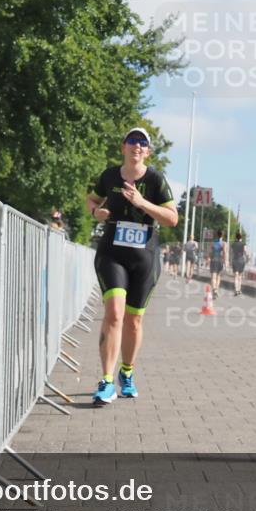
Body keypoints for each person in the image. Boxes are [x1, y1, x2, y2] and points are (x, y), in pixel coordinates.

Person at [86, 127, 178, 406]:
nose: (137, 146)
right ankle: (105, 380)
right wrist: (95, 211)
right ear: (123, 146)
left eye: (143, 143)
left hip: (144, 258)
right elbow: (91, 198)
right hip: (112, 253)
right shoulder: (109, 175)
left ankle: (127, 373)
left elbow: (172, 218)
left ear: (148, 151)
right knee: (114, 313)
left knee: (134, 320)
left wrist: (141, 202)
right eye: (132, 141)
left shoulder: (156, 180)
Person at [209, 229, 228, 298]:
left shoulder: (212, 243)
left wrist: (208, 259)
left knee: (213, 277)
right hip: (220, 261)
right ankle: (216, 290)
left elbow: (210, 252)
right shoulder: (224, 243)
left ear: (217, 235)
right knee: (218, 276)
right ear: (222, 236)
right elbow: (225, 253)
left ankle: (214, 289)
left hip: (213, 260)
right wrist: (225, 261)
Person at [231, 232, 247, 296]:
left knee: (236, 276)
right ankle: (239, 290)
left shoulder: (233, 244)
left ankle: (236, 290)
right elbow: (246, 252)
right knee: (240, 276)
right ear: (241, 237)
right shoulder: (243, 244)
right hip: (241, 260)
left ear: (236, 237)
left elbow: (231, 252)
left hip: (235, 260)